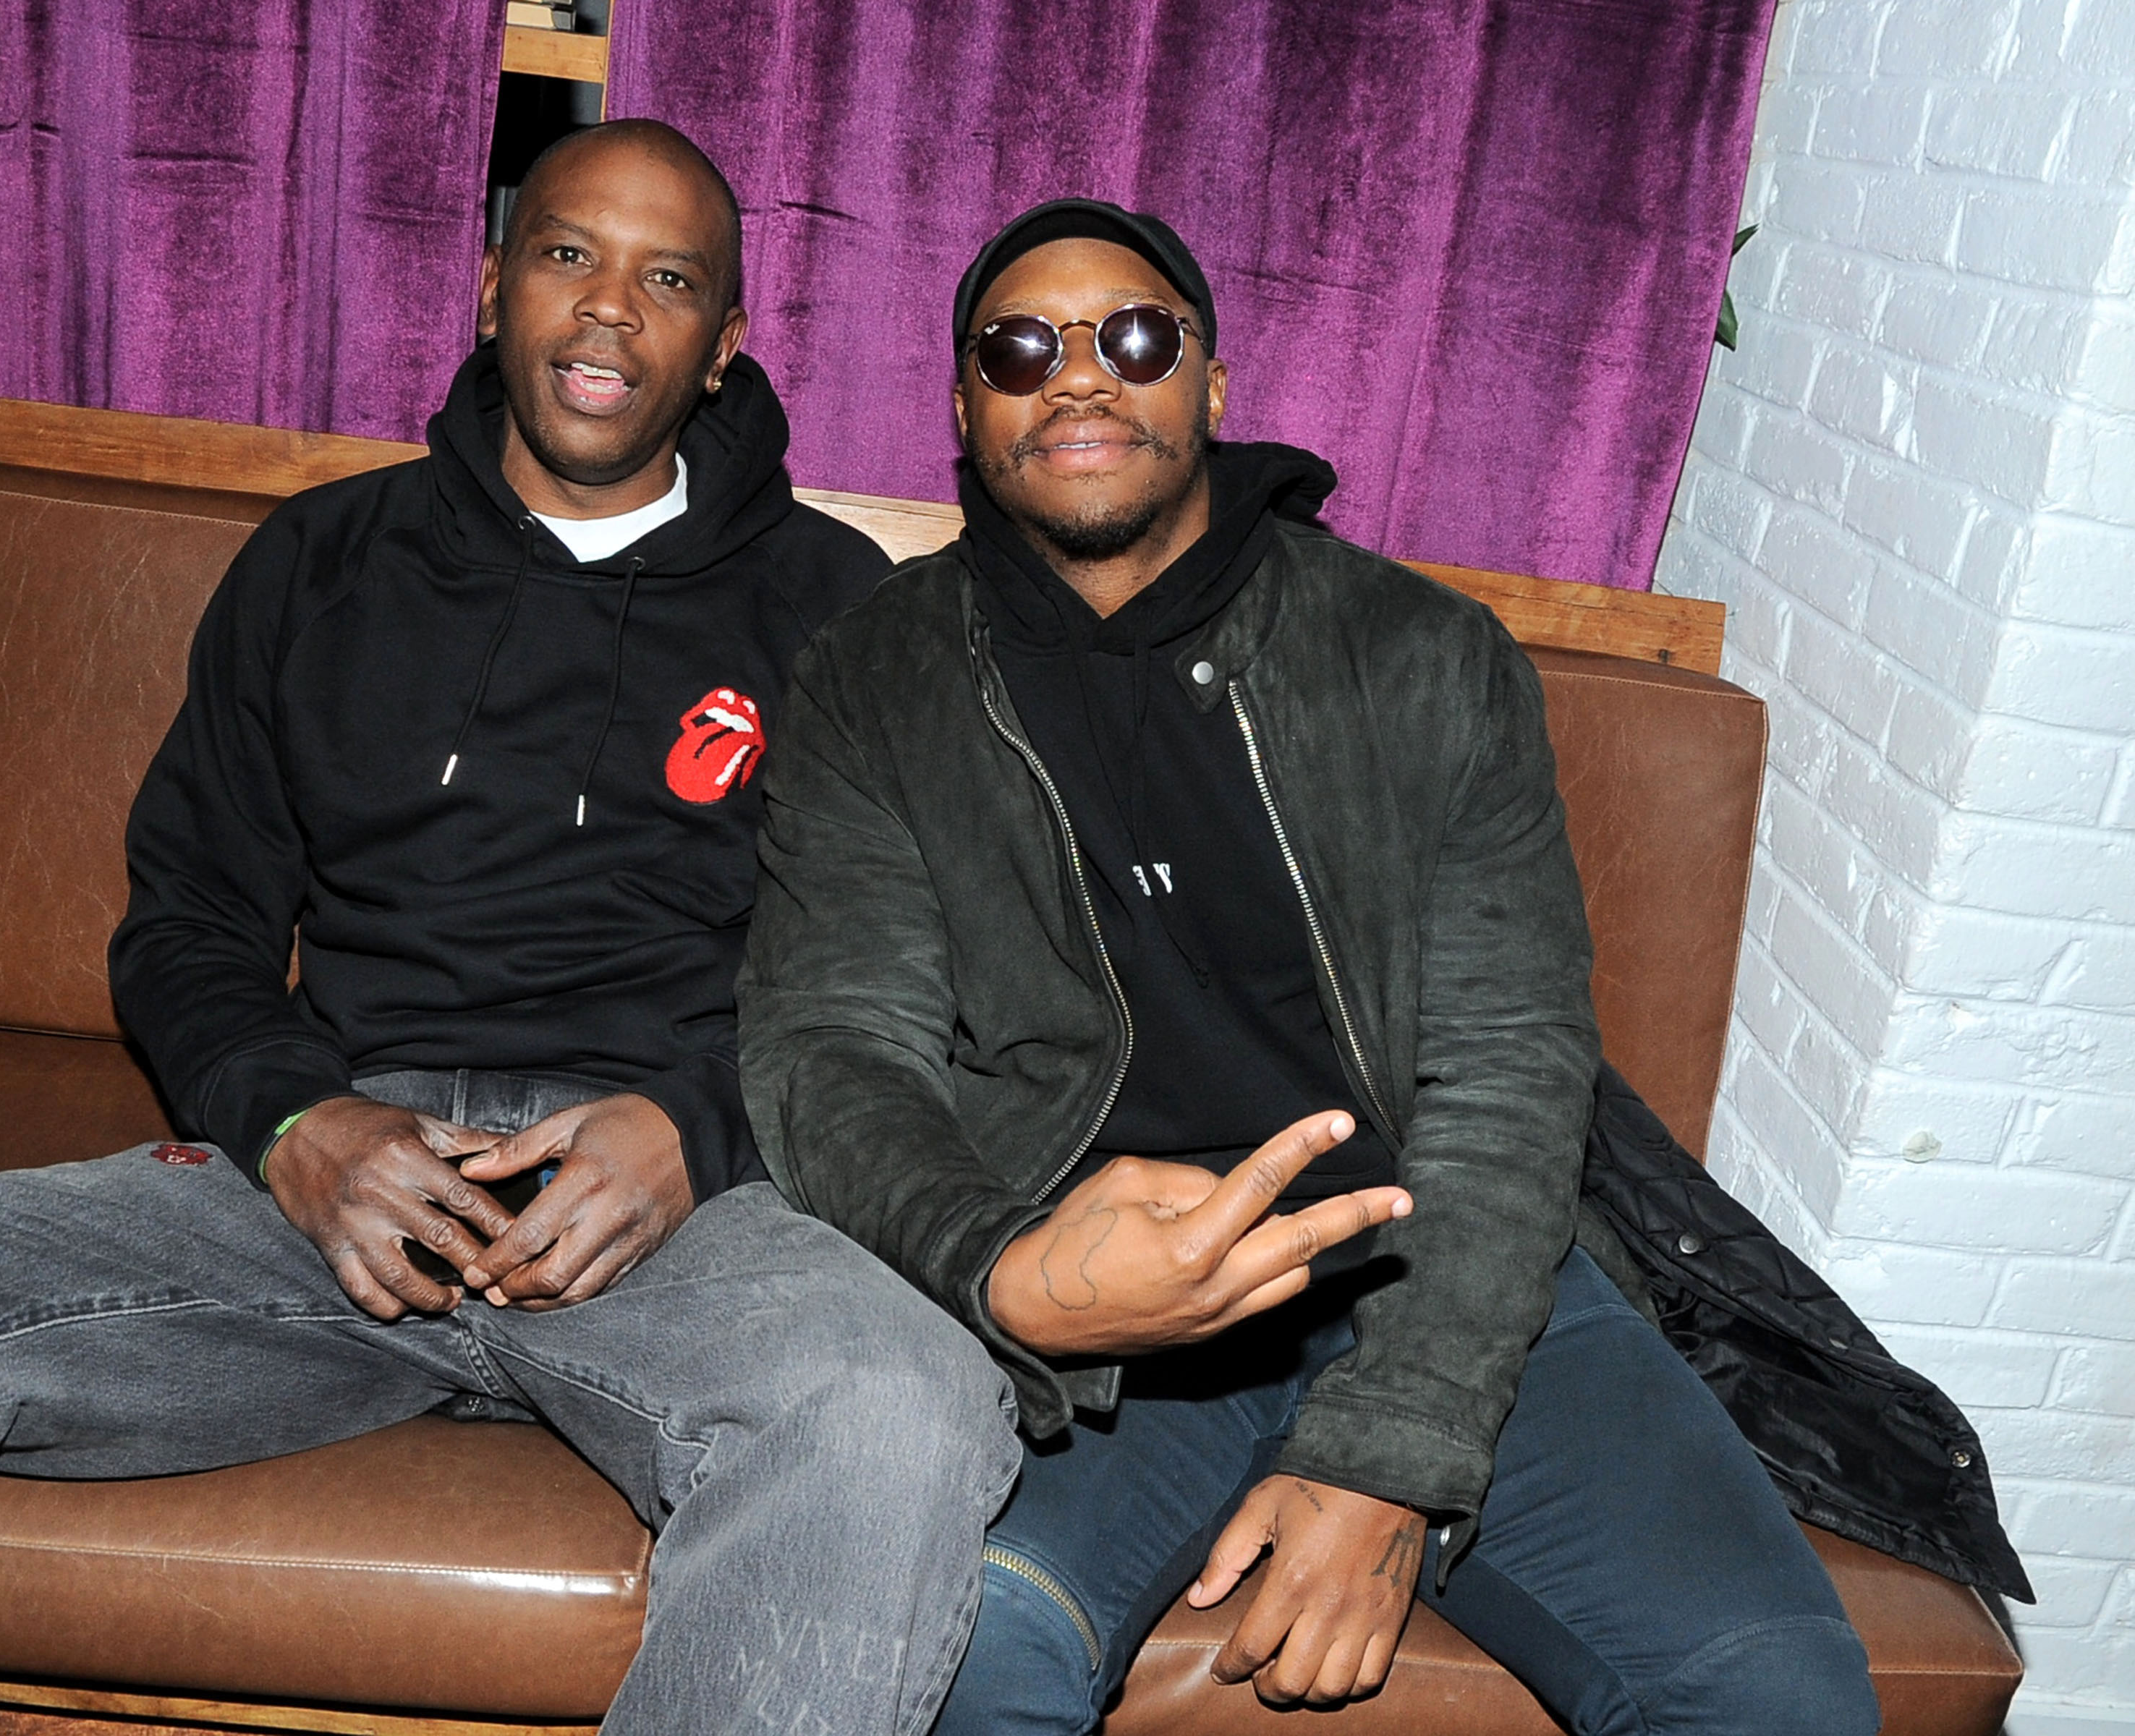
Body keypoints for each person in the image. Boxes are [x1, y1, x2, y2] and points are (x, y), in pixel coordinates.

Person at [0, 122, 1031, 1736]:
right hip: (344, 1192)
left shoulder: (840, 607)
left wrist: (692, 1132)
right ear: (495, 284)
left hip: (682, 1204)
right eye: (569, 255)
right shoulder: (322, 560)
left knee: (903, 1406)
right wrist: (302, 1122)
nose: (608, 313)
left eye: (670, 281)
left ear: (723, 348)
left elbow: (897, 978)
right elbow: (188, 923)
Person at [739, 198, 1885, 1735]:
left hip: (1433, 1268)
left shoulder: (1420, 657)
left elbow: (1506, 1074)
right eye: (1023, 348)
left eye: (1133, 336)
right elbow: (834, 1049)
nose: (1078, 375)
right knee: (965, 1664)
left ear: (1210, 384)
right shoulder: (874, 679)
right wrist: (1012, 1272)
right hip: (1095, 1316)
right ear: (965, 409)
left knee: (1777, 1692)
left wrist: (1392, 1444)